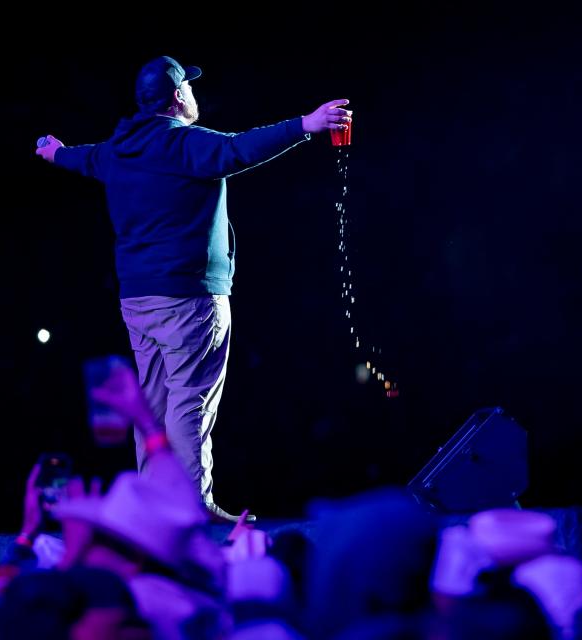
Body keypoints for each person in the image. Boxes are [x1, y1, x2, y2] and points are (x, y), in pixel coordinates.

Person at [35, 55, 351, 521]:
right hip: (188, 299)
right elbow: (242, 148)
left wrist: (54, 152)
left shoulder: (119, 149)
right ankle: (189, 507)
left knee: (154, 401)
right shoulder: (185, 144)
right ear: (180, 97)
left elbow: (83, 158)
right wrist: (306, 124)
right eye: (191, 88)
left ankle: (153, 504)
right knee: (189, 398)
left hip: (138, 300)